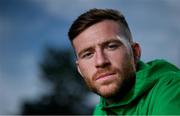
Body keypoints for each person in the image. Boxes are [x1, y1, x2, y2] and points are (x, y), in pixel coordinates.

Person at [68, 8, 180, 115]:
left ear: (135, 52)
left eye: (111, 46)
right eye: (88, 54)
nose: (101, 61)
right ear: (80, 70)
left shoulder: (172, 89)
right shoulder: (100, 110)